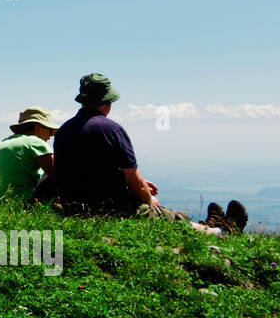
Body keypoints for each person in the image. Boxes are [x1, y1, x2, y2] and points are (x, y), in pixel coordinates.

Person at [53, 73, 247, 233]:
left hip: (74, 209)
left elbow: (86, 171)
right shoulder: (112, 130)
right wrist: (148, 198)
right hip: (111, 210)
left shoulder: (63, 131)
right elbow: (135, 181)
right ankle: (223, 231)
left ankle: (213, 224)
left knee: (162, 213)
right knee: (173, 216)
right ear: (108, 102)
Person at [0, 107, 59, 202]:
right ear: (38, 126)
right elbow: (57, 174)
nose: (49, 137)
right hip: (22, 199)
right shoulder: (36, 142)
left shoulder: (4, 142)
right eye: (50, 131)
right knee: (61, 169)